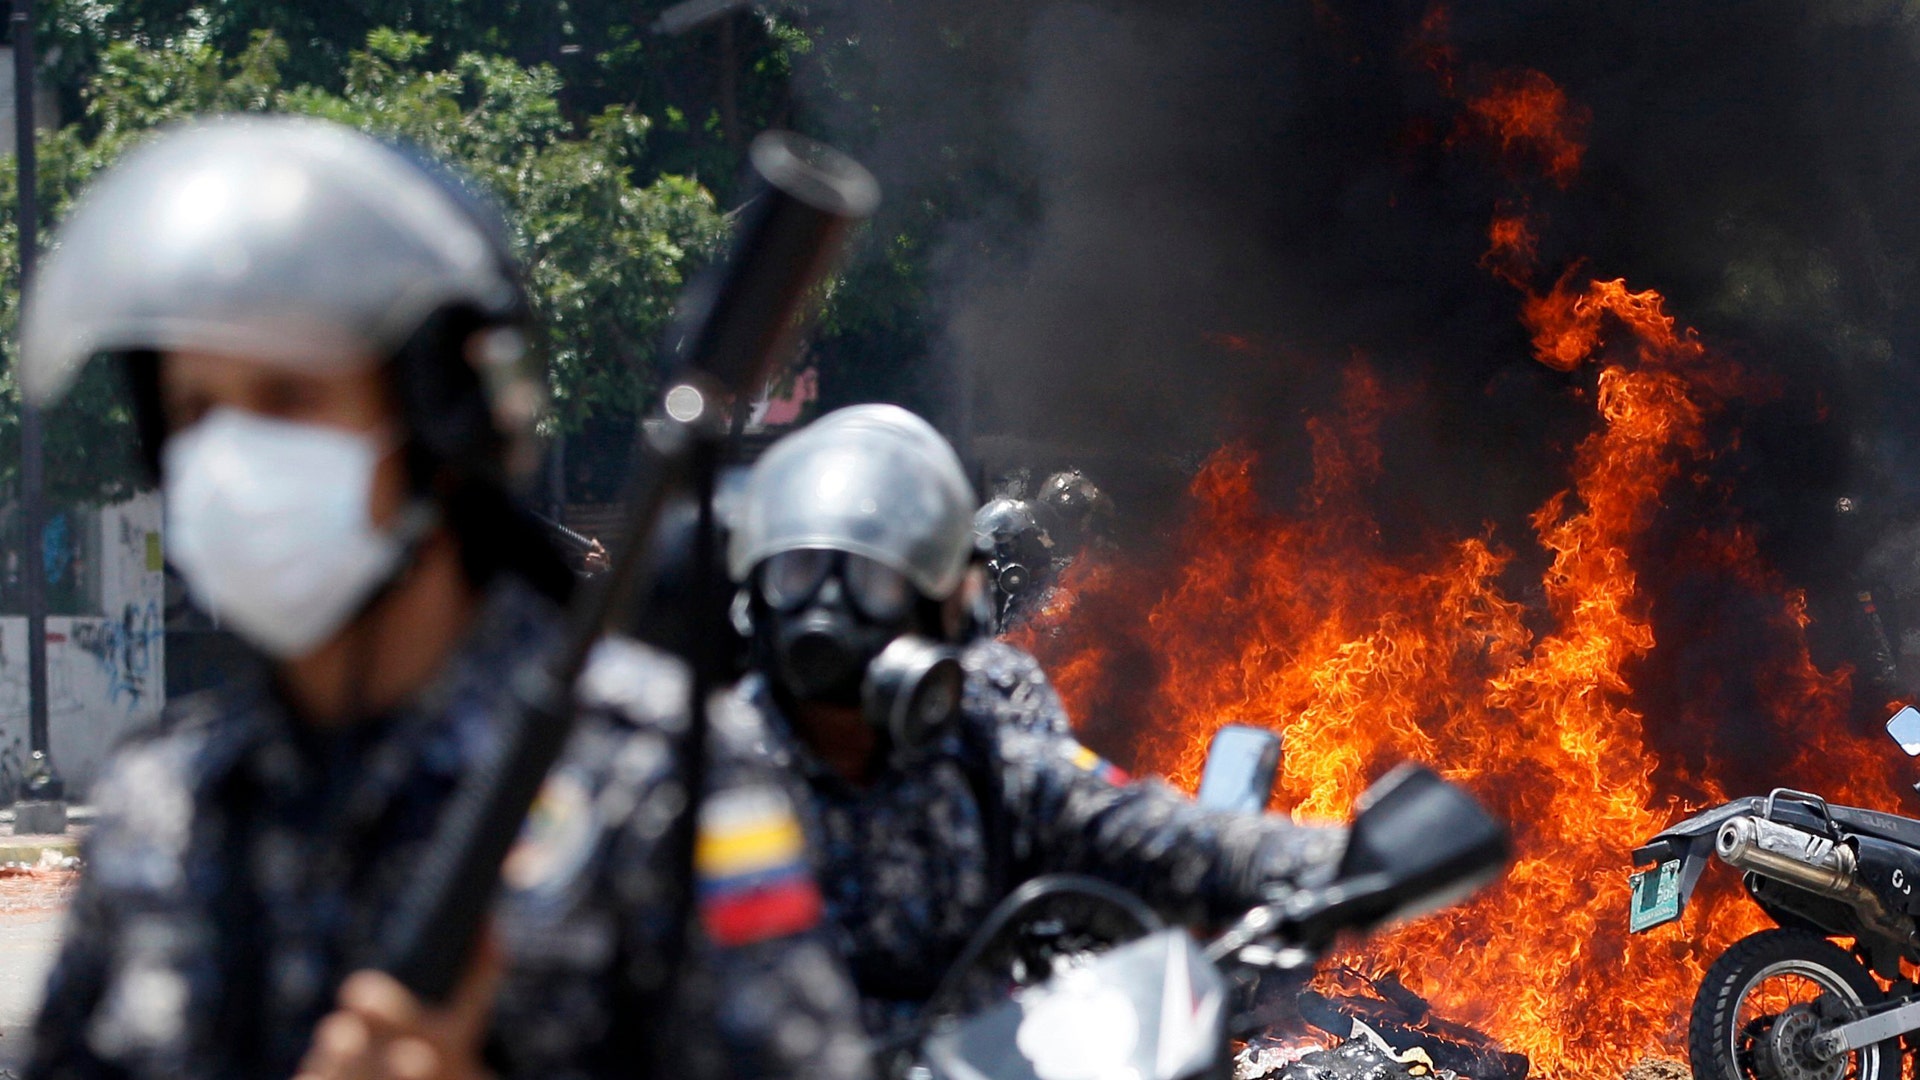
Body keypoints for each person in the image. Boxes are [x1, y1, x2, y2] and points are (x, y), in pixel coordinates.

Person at [21, 116, 869, 1080]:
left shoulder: (659, 783)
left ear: (440, 420)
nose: (229, 456)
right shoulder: (162, 800)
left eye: (288, 398)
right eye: (194, 411)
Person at [724, 405, 1347, 1041]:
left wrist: (1345, 862)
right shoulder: (689, 772)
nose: (828, 612)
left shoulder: (980, 755)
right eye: (796, 573)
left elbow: (1140, 832)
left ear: (946, 614)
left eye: (874, 583)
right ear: (752, 598)